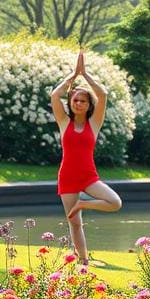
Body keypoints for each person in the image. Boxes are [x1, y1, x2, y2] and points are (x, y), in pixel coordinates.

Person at [50, 50, 122, 265]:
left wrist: (86, 74)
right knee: (74, 223)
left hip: (89, 177)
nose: (78, 103)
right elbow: (55, 95)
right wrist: (73, 75)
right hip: (68, 177)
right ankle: (83, 260)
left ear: (88, 105)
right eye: (75, 100)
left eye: (83, 101)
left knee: (115, 202)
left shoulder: (94, 123)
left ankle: (83, 203)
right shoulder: (64, 122)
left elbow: (103, 95)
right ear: (71, 102)